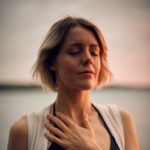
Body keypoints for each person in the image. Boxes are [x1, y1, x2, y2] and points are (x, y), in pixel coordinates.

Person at [7, 16, 139, 150]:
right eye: (74, 52)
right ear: (52, 62)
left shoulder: (122, 121)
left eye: (94, 52)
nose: (88, 59)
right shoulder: (25, 131)